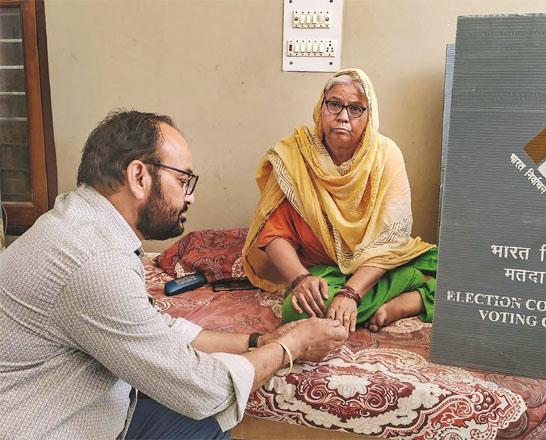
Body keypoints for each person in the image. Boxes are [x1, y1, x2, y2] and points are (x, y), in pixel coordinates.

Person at [0, 110, 348, 439]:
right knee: (207, 414)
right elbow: (206, 390)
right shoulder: (96, 261)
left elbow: (153, 327)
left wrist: (259, 342)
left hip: (65, 401)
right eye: (183, 180)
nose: (191, 197)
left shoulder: (81, 223)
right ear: (139, 176)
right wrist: (293, 345)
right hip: (41, 423)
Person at [242, 69, 438, 334]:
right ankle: (412, 287)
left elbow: (390, 242)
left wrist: (351, 294)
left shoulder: (386, 155)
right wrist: (300, 279)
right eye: (334, 104)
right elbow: (273, 234)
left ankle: (406, 301)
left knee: (464, 274)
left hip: (376, 266)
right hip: (323, 272)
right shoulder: (294, 154)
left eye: (356, 108)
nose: (343, 116)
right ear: (320, 107)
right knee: (296, 310)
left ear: (370, 116)